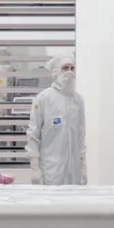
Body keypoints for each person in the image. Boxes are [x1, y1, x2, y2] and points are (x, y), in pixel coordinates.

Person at [27, 52, 88, 186]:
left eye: (72, 68)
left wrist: (83, 166)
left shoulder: (78, 100)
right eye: (65, 68)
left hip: (74, 171)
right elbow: (33, 135)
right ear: (56, 72)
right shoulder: (43, 99)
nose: (69, 72)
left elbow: (81, 136)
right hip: (51, 171)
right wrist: (35, 167)